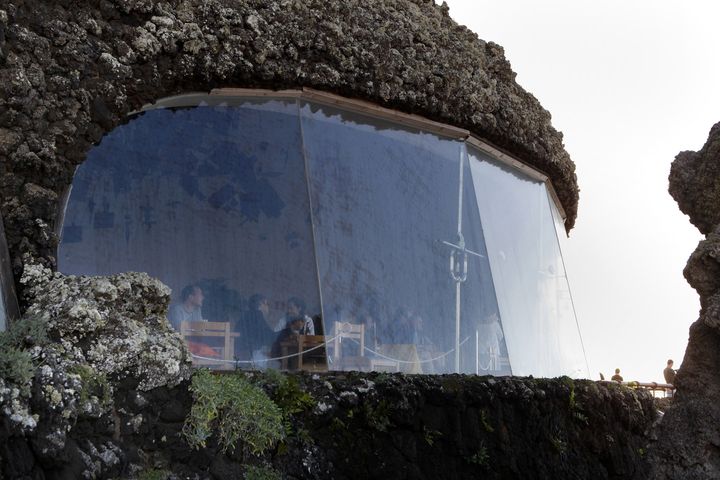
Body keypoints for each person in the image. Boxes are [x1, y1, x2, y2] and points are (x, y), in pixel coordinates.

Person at [235, 294, 275, 360]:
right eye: (267, 304)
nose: (268, 307)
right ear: (261, 304)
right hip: (249, 354)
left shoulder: (246, 315)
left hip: (241, 353)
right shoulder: (257, 315)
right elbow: (268, 336)